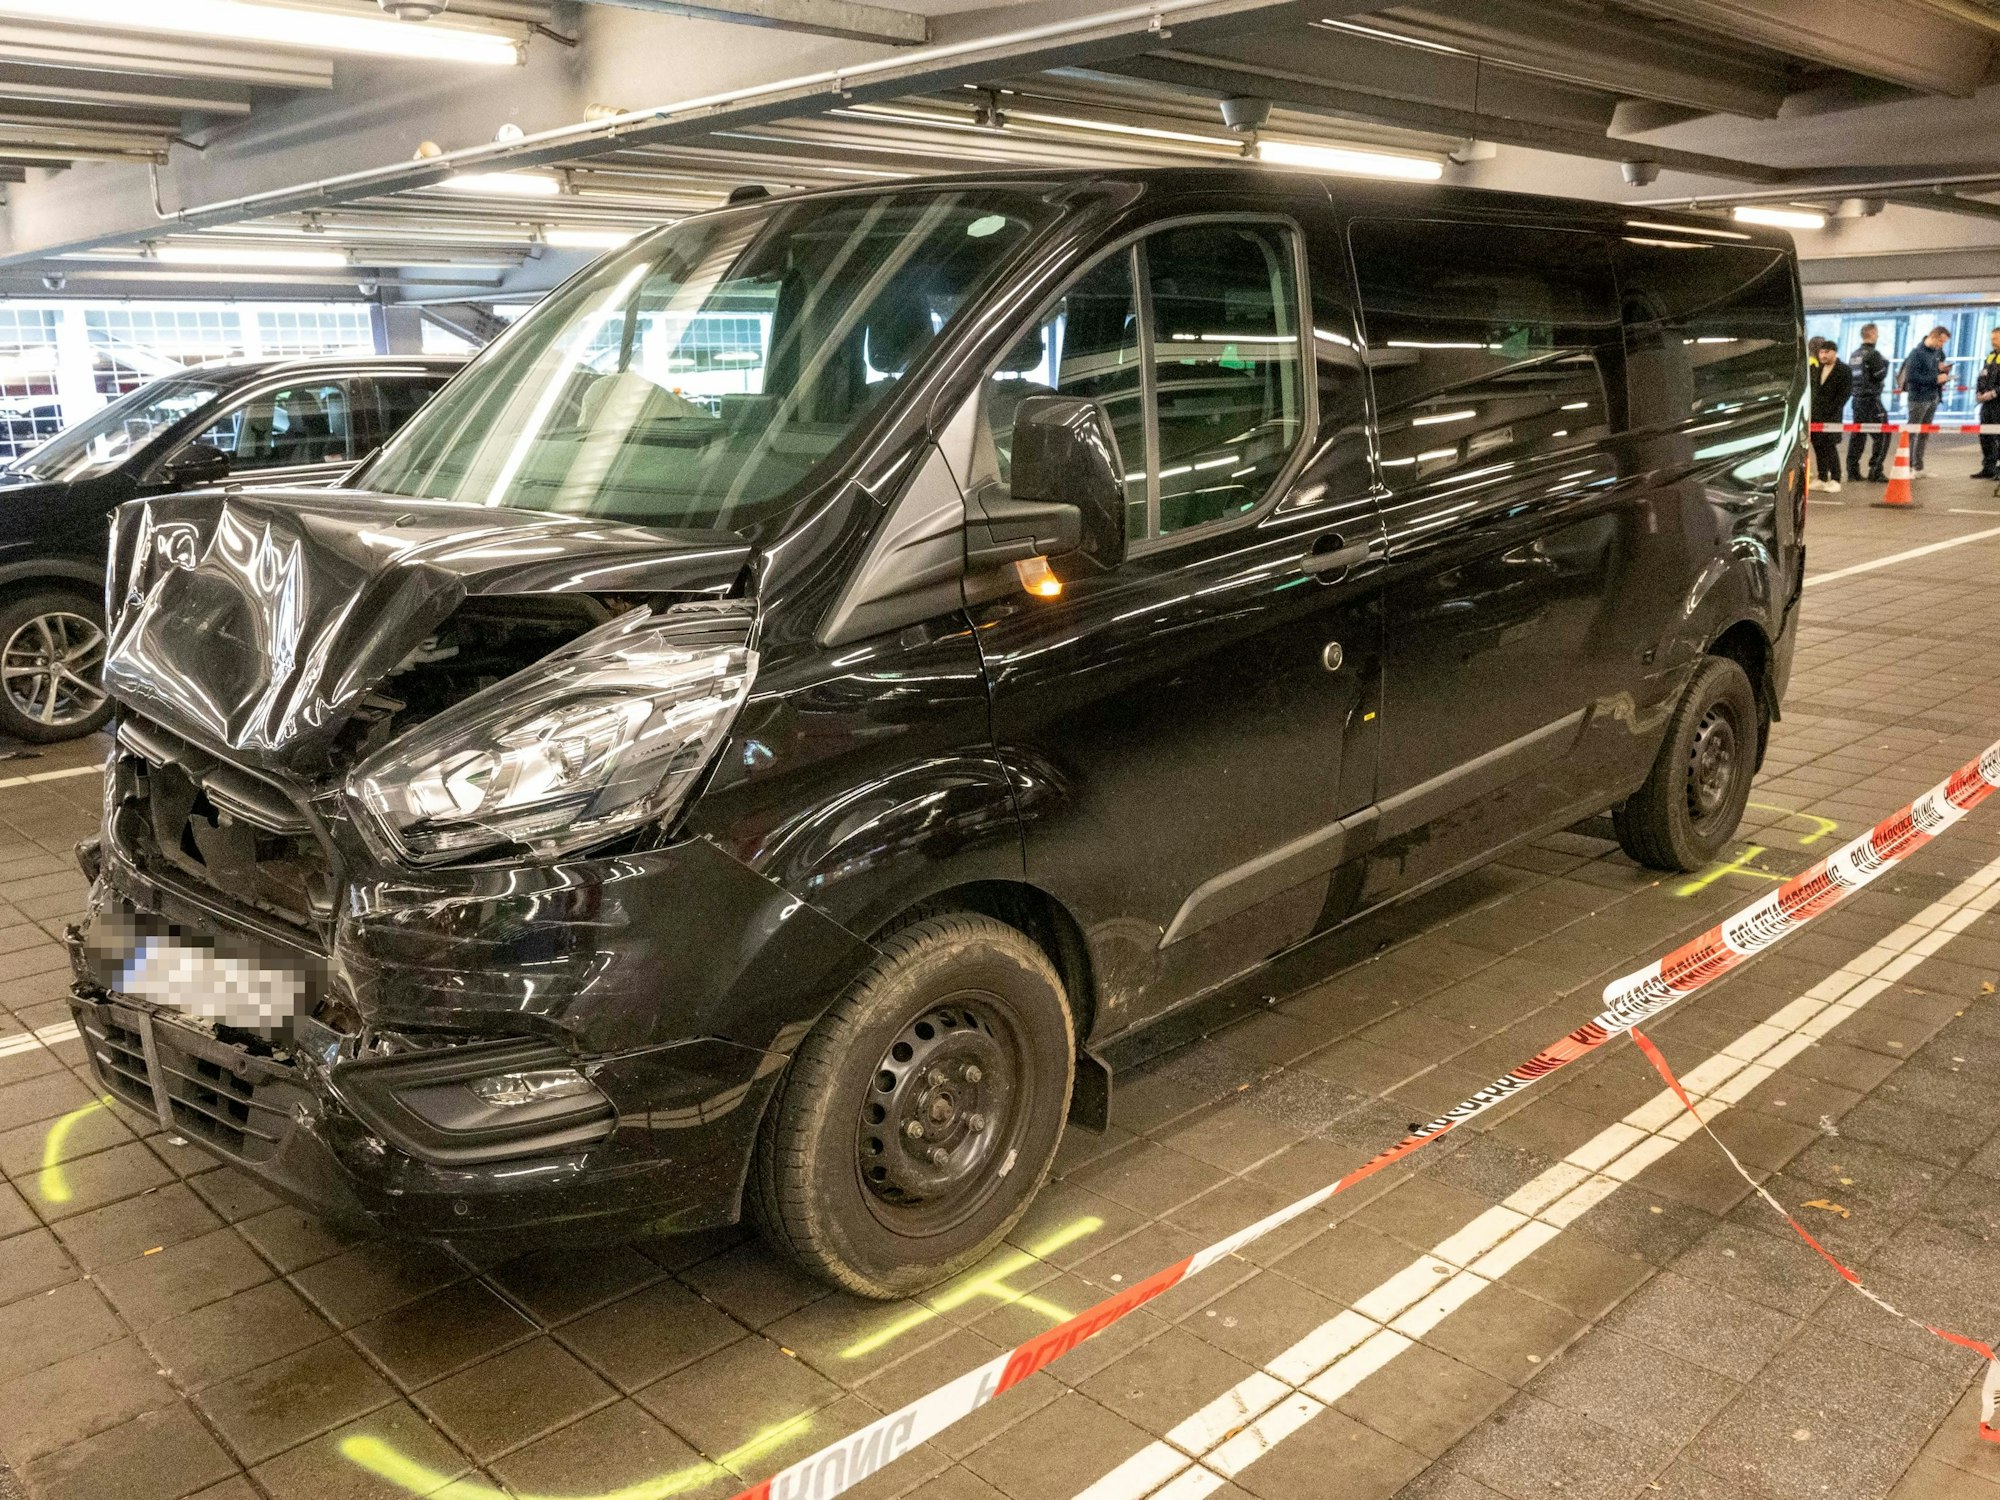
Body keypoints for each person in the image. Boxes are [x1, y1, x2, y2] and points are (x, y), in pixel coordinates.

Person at [1897, 325, 1952, 476]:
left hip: (1932, 397)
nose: (1941, 345)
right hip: (1918, 399)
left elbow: (1934, 370)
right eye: (1941, 341)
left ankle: (1918, 467)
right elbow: (1912, 378)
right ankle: (1906, 467)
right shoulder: (1916, 354)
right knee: (1912, 433)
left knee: (1924, 434)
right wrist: (1935, 379)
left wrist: (1942, 372)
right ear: (1933, 336)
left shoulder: (1937, 353)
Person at [1846, 323, 1891, 482]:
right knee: (1884, 434)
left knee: (1858, 435)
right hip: (1872, 400)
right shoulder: (1873, 354)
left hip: (1857, 400)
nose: (1878, 336)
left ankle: (1852, 471)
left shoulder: (1854, 355)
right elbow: (1879, 375)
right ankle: (1875, 470)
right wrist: (1886, 364)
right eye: (1877, 333)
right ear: (1871, 334)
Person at [1808, 338, 1851, 491]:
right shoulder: (1816, 369)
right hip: (1816, 416)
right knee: (1818, 446)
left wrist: (1832, 410)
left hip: (1832, 416)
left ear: (1834, 352)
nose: (1823, 355)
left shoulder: (1844, 370)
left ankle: (1836, 478)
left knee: (1830, 446)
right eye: (1821, 352)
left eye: (1826, 352)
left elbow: (1844, 394)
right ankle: (1821, 477)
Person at [1975, 326, 2000, 479]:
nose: (1993, 342)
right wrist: (1979, 392)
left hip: (1998, 403)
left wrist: (1994, 393)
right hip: (1987, 404)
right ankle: (1988, 467)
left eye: (1996, 339)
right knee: (1985, 435)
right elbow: (1982, 376)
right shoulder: (1990, 357)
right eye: (1992, 339)